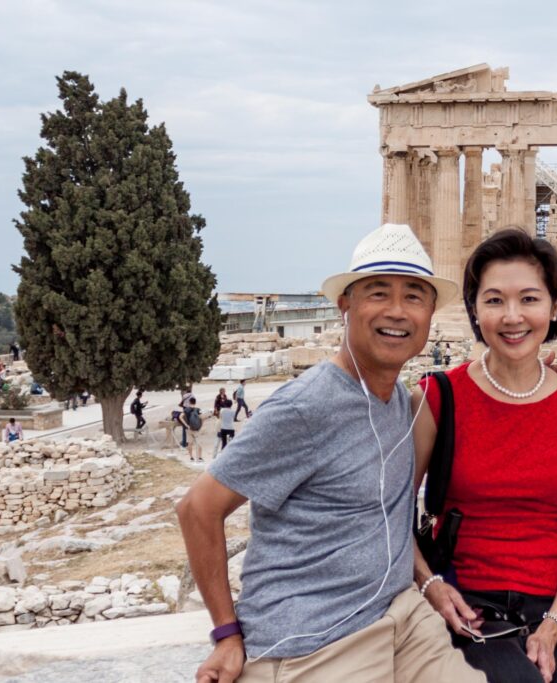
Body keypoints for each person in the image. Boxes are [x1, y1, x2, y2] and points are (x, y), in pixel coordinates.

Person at [176, 223, 483, 683]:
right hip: (315, 640)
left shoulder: (402, 401)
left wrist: (544, 370)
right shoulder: (304, 408)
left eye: (414, 296)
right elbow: (197, 508)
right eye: (379, 293)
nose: (397, 311)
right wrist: (226, 633)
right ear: (345, 305)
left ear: (431, 312)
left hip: (400, 614)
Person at [412, 228, 557, 683]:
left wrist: (553, 627)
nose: (512, 316)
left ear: (556, 306)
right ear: (474, 308)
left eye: (530, 299)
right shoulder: (437, 397)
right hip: (463, 597)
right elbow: (390, 511)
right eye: (495, 300)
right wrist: (430, 585)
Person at [178, 397, 203, 462]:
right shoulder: (198, 409)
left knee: (190, 443)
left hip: (189, 428)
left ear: (189, 402)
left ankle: (191, 457)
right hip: (196, 429)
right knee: (198, 443)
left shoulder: (186, 409)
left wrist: (186, 425)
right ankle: (200, 457)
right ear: (195, 402)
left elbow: (180, 417)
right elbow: (201, 418)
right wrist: (200, 426)